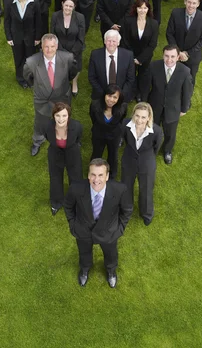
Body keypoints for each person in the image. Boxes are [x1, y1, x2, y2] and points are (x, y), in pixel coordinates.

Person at [64, 158, 133, 288]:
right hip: (83, 231)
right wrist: (72, 224)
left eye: (101, 175)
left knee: (111, 254)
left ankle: (111, 271)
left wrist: (120, 229)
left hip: (109, 233)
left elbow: (127, 210)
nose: (96, 180)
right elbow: (68, 206)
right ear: (88, 175)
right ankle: (85, 269)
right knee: (84, 253)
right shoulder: (76, 188)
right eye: (93, 175)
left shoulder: (120, 190)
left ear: (107, 176)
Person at [24, 34, 77, 156]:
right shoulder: (31, 62)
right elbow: (28, 77)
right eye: (46, 46)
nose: (49, 50)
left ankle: (68, 139)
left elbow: (72, 73)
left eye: (52, 46)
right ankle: (38, 141)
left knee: (64, 120)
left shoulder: (67, 58)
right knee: (40, 122)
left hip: (62, 98)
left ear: (57, 46)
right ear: (41, 46)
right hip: (42, 100)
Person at [148, 45, 193, 164]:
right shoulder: (154, 66)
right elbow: (146, 86)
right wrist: (145, 103)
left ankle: (167, 151)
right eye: (166, 56)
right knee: (152, 128)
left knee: (170, 132)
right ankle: (151, 148)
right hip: (155, 106)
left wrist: (184, 109)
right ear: (163, 55)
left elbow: (187, 92)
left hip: (173, 108)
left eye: (173, 56)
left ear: (178, 57)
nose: (169, 59)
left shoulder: (185, 72)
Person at [121, 102, 162, 226]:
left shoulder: (156, 131)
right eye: (137, 116)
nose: (139, 120)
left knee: (146, 188)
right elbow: (125, 139)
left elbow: (156, 147)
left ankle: (146, 213)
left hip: (147, 161)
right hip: (129, 159)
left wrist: (147, 157)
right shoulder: (126, 125)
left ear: (149, 117)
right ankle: (127, 210)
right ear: (133, 114)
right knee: (126, 186)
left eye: (143, 117)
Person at [43, 103, 83, 216]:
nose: (61, 119)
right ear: (53, 116)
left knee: (76, 179)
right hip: (55, 153)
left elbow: (79, 138)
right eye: (58, 115)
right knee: (55, 179)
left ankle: (75, 202)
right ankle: (56, 202)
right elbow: (47, 137)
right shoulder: (47, 126)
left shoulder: (77, 126)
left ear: (69, 116)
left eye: (64, 116)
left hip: (72, 153)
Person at [166, 0, 202, 85]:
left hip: (193, 57)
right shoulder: (175, 13)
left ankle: (186, 99)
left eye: (194, 3)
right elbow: (169, 33)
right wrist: (178, 52)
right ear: (185, 1)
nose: (191, 5)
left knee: (189, 81)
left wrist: (187, 53)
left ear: (198, 4)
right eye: (189, 2)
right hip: (175, 56)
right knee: (172, 79)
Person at [4, 0, 42, 87]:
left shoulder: (35, 2)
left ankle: (30, 78)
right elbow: (7, 21)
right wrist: (9, 37)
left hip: (31, 37)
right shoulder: (8, 3)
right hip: (16, 37)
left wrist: (37, 37)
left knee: (30, 58)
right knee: (19, 58)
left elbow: (38, 21)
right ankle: (20, 78)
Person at [121, 0, 159, 102]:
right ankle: (130, 93)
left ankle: (139, 93)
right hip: (130, 55)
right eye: (140, 8)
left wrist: (140, 59)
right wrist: (132, 57)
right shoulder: (128, 21)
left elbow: (152, 44)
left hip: (145, 56)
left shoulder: (154, 24)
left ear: (148, 9)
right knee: (130, 75)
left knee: (143, 75)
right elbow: (124, 40)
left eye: (145, 8)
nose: (142, 10)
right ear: (136, 8)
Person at [51, 0, 85, 96]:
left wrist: (71, 54)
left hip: (75, 50)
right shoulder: (55, 16)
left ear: (74, 6)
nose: (68, 8)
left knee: (76, 65)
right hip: (58, 48)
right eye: (66, 5)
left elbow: (81, 39)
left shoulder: (80, 17)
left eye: (71, 6)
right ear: (62, 4)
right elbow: (52, 35)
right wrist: (61, 52)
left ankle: (74, 83)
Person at [90, 85, 127, 180]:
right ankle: (94, 173)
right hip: (98, 134)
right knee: (96, 154)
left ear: (119, 98)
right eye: (109, 96)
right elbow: (93, 119)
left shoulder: (123, 107)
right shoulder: (95, 105)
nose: (111, 100)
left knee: (113, 155)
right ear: (104, 95)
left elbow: (121, 119)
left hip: (114, 135)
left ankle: (111, 176)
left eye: (115, 97)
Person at [88, 29, 135, 102]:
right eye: (109, 40)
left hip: (121, 95)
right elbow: (92, 77)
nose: (111, 43)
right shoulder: (95, 55)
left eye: (114, 41)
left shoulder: (128, 56)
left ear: (118, 42)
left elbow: (130, 78)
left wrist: (119, 94)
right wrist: (104, 94)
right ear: (104, 41)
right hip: (101, 95)